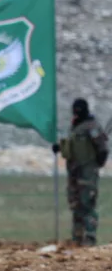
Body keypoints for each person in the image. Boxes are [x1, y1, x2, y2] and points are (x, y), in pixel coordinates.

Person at [57, 99, 108, 247]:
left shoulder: (92, 127)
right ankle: (77, 237)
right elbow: (72, 148)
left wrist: (95, 164)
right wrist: (59, 148)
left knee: (87, 204)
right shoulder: (75, 128)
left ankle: (90, 237)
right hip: (74, 173)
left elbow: (102, 148)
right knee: (75, 204)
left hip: (87, 173)